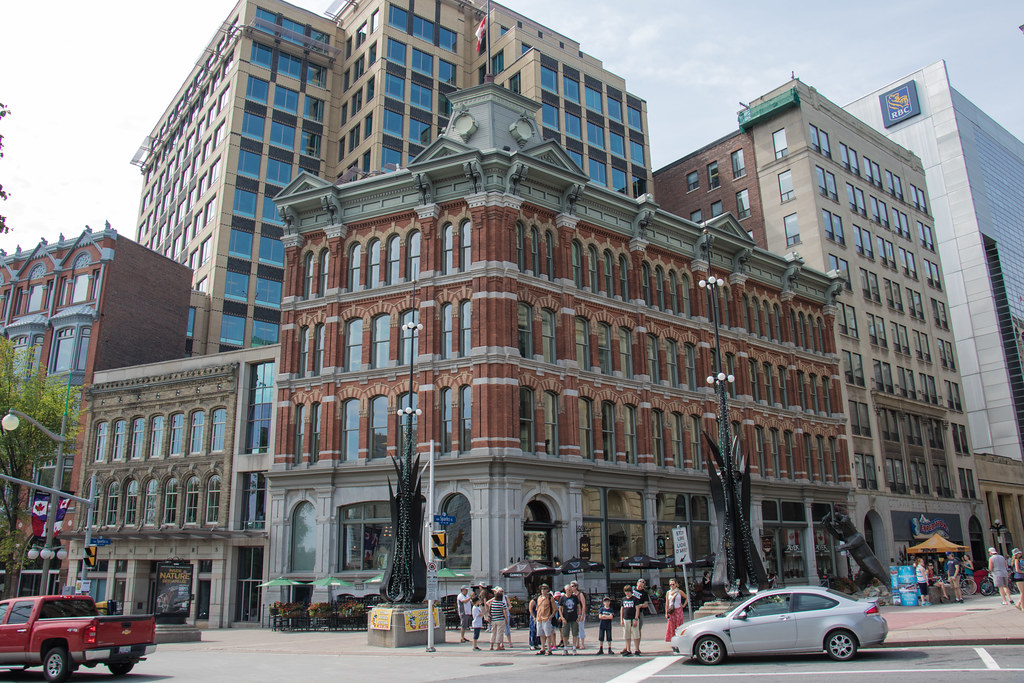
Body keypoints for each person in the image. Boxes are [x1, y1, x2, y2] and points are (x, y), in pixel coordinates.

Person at [532, 584, 556, 655]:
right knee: (541, 634)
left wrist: (551, 616)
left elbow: (555, 609)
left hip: (546, 618)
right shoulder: (539, 598)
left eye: (544, 589)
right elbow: (536, 607)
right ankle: (543, 648)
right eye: (542, 589)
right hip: (539, 618)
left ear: (547, 590)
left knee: (547, 634)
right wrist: (535, 617)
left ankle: (549, 649)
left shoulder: (549, 598)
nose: (543, 590)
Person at [629, 579, 650, 656]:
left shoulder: (644, 593)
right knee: (629, 630)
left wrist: (640, 605)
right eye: (639, 585)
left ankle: (637, 647)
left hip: (639, 612)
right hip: (630, 611)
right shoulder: (632, 590)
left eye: (642, 586)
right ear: (637, 584)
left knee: (638, 630)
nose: (640, 587)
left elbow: (646, 604)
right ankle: (627, 648)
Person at [558, 584, 581, 655]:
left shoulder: (574, 597)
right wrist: (562, 617)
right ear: (565, 590)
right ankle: (565, 648)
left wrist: (579, 615)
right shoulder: (562, 598)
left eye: (571, 590)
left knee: (575, 633)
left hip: (574, 618)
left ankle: (574, 648)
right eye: (568, 590)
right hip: (566, 618)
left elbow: (578, 606)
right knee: (565, 634)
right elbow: (560, 608)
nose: (570, 591)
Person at [664, 578, 687, 646]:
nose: (671, 586)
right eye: (670, 585)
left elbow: (687, 598)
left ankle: (679, 640)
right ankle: (673, 641)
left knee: (678, 625)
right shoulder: (668, 592)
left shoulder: (679, 592)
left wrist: (683, 605)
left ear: (676, 584)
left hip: (678, 610)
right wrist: (666, 612)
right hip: (671, 611)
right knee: (671, 625)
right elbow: (667, 603)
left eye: (673, 584)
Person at [619, 584, 638, 657]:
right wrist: (621, 619)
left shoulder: (634, 599)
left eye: (628, 591)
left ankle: (636, 649)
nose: (627, 593)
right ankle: (628, 649)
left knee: (635, 635)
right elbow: (622, 609)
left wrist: (636, 619)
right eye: (625, 592)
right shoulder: (623, 599)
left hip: (633, 618)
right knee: (627, 635)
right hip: (626, 618)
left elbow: (637, 609)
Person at [570, 580, 586, 650]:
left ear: (576, 587)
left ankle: (582, 643)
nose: (572, 588)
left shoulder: (580, 594)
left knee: (581, 628)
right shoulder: (571, 595)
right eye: (571, 586)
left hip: (579, 613)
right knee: (575, 629)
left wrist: (582, 615)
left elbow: (584, 605)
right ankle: (577, 643)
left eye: (573, 586)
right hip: (573, 614)